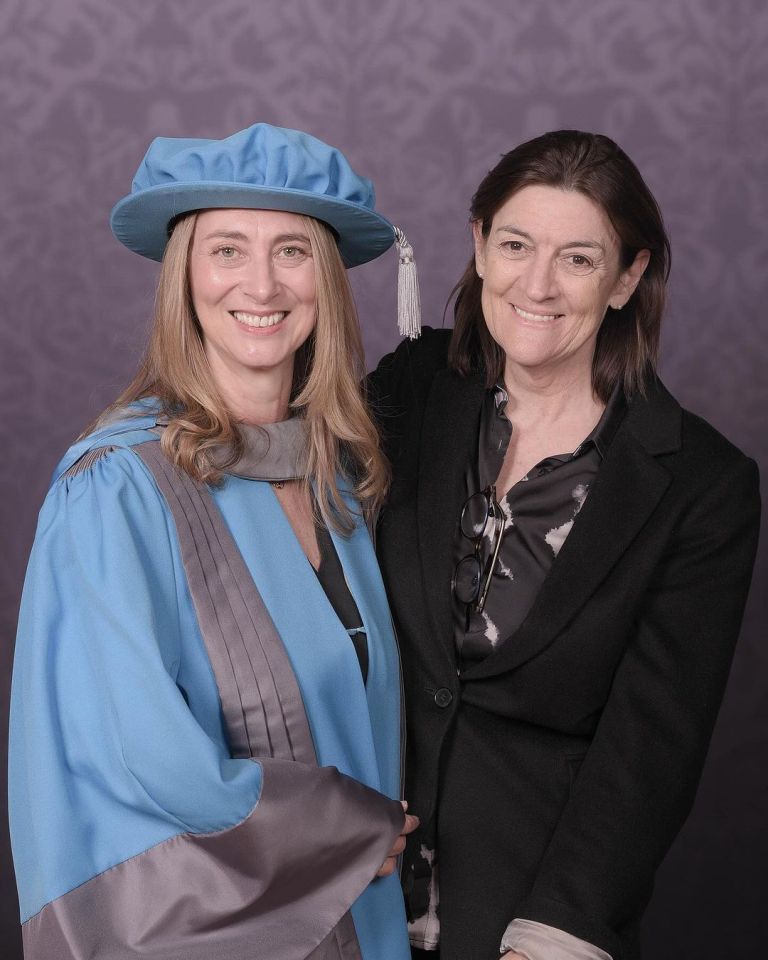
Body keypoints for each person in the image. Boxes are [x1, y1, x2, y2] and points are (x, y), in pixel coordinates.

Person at [9, 122, 419, 960]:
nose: (262, 283)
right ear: (185, 278)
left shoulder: (338, 475)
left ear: (328, 282)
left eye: (293, 251)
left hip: (368, 925)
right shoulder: (119, 488)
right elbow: (141, 755)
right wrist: (346, 830)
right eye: (227, 249)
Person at [368, 130, 761, 960]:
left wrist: (555, 932)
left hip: (527, 912)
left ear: (628, 278)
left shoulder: (703, 485)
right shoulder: (411, 389)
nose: (537, 284)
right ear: (480, 246)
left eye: (579, 260)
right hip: (353, 891)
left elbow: (651, 746)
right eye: (515, 245)